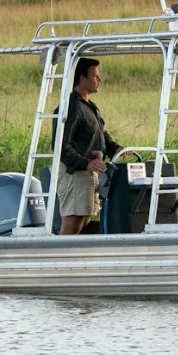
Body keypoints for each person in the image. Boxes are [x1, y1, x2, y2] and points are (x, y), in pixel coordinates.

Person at [58, 56, 123, 235]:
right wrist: (85, 163)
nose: (99, 80)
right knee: (73, 221)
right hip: (75, 174)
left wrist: (116, 149)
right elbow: (61, 145)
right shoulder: (71, 107)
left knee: (85, 219)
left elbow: (101, 135)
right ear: (81, 79)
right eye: (95, 76)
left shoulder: (90, 107)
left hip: (89, 174)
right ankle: (59, 259)